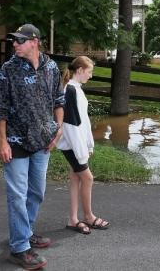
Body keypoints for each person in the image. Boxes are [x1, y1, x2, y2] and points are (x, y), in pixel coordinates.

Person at [0, 23, 64, 270]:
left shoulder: (51, 67)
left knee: (37, 192)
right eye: (14, 40)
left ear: (34, 42)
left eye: (19, 40)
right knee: (17, 195)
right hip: (16, 141)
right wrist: (2, 140)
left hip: (43, 141)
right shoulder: (8, 69)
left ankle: (26, 231)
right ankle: (20, 248)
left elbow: (59, 99)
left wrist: (59, 128)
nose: (14, 44)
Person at [58, 56, 110, 234]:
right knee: (88, 178)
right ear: (79, 70)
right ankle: (89, 216)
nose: (91, 76)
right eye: (90, 72)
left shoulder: (76, 89)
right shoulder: (70, 90)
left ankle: (73, 220)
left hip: (77, 145)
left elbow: (84, 121)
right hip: (72, 145)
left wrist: (89, 145)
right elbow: (71, 125)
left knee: (75, 178)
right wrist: (82, 152)